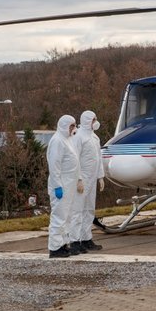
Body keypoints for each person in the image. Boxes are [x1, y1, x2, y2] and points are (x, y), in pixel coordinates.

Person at [46, 114, 82, 258]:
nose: (73, 129)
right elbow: (54, 166)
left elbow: (75, 162)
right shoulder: (57, 141)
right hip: (61, 186)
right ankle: (55, 248)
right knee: (59, 217)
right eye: (71, 126)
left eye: (74, 126)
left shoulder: (68, 140)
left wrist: (79, 179)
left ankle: (63, 244)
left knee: (67, 217)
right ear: (64, 126)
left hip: (69, 185)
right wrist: (57, 186)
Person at [73, 110, 105, 251]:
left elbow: (98, 157)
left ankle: (86, 238)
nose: (96, 122)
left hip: (92, 178)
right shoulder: (78, 137)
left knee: (89, 209)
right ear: (87, 120)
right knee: (78, 209)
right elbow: (75, 160)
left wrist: (100, 176)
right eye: (93, 119)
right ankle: (75, 240)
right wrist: (78, 179)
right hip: (83, 179)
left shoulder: (94, 137)